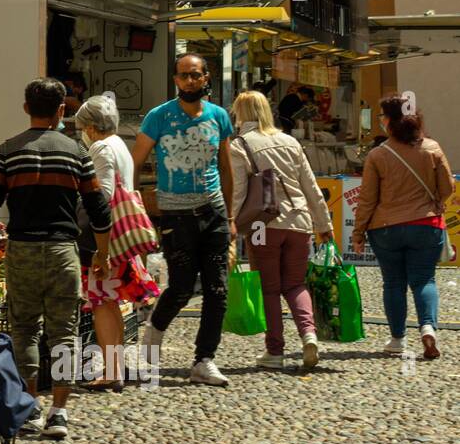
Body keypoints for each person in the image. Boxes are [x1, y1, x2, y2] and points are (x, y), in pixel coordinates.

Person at [0, 78, 111, 440]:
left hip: (21, 250)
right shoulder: (77, 153)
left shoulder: (6, 152)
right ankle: (59, 412)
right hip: (62, 252)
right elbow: (99, 209)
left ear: (26, 108)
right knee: (64, 332)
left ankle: (31, 407)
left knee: (23, 330)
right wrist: (103, 252)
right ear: (62, 111)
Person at [133, 53, 235, 386]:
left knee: (218, 289)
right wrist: (137, 208)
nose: (189, 81)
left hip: (213, 210)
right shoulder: (159, 117)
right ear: (175, 80)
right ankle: (153, 336)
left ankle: (204, 359)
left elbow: (226, 168)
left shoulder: (219, 117)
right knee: (179, 287)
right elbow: (135, 163)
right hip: (176, 214)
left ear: (207, 78)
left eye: (195, 75)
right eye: (183, 76)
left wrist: (230, 216)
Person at [228, 91, 334, 370]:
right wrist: (324, 225)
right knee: (296, 284)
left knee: (270, 288)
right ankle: (309, 334)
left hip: (264, 225)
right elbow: (311, 186)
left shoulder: (240, 145)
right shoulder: (290, 141)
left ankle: (275, 351)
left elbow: (239, 191)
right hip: (299, 222)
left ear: (241, 114)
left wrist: (229, 222)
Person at [352, 94, 454, 359]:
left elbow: (367, 199)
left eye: (381, 116)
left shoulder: (378, 155)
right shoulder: (432, 148)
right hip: (426, 224)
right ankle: (428, 327)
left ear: (389, 121)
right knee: (424, 279)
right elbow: (447, 187)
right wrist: (436, 201)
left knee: (393, 283)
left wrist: (358, 232)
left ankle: (398, 339)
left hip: (386, 228)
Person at [75, 95, 161, 390]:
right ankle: (116, 368)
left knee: (101, 302)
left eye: (82, 127)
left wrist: (101, 251)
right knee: (111, 304)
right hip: (122, 238)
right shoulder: (120, 145)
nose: (81, 133)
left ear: (90, 126)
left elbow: (104, 195)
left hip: (107, 241)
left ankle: (111, 372)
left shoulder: (100, 147)